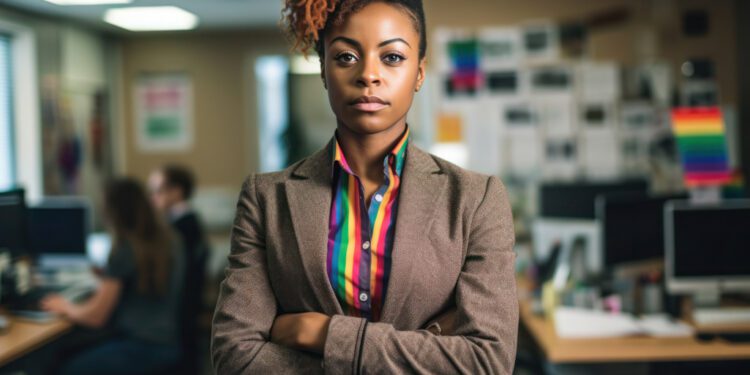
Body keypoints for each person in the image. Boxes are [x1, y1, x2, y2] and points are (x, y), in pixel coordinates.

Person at [211, 0, 518, 373]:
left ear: (419, 73)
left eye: (391, 57)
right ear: (323, 69)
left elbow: (487, 361)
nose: (368, 75)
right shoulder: (266, 199)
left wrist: (323, 334)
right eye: (345, 57)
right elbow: (235, 356)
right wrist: (426, 347)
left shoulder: (475, 199)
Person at [42, 178, 185, 375]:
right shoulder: (171, 239)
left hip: (139, 345)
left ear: (115, 213)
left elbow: (96, 317)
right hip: (167, 341)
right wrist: (108, 276)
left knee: (61, 367)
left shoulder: (126, 249)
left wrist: (64, 306)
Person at [148, 164, 209, 374]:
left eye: (158, 191)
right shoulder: (188, 221)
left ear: (177, 191)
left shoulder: (179, 230)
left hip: (179, 310)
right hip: (186, 309)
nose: (152, 198)